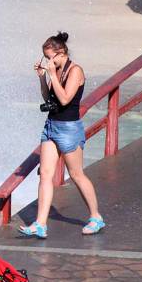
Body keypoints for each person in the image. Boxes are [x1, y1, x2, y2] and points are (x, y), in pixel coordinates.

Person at [19, 32, 104, 239]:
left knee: (76, 174)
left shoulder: (75, 71)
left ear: (62, 53)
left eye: (51, 57)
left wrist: (53, 75)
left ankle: (96, 217)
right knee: (45, 175)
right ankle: (40, 224)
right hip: (51, 126)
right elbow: (50, 97)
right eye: (46, 58)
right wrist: (43, 78)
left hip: (69, 128)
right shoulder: (55, 71)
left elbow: (65, 99)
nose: (49, 62)